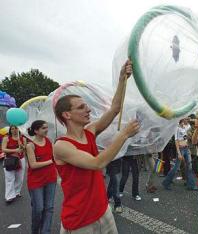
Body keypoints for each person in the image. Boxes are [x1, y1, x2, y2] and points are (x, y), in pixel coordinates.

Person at [53, 60, 140, 233]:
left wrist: (123, 79)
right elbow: (97, 163)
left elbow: (115, 108)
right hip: (80, 220)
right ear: (67, 115)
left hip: (102, 210)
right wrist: (123, 135)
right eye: (81, 107)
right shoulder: (61, 146)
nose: (88, 110)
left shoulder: (90, 131)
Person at [26, 120, 57, 234]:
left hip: (50, 179)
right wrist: (50, 161)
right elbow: (33, 165)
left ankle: (45, 231)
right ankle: (35, 231)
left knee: (49, 208)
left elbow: (55, 157)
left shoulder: (49, 141)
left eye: (47, 127)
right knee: (38, 209)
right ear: (36, 131)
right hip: (35, 182)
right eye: (44, 128)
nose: (46, 130)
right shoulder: (30, 145)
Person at [162, 119, 197, 190]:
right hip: (180, 149)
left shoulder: (187, 127)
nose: (188, 120)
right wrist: (178, 153)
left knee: (189, 166)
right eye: (186, 119)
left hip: (186, 148)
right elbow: (176, 140)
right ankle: (166, 182)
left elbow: (187, 137)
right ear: (183, 120)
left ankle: (191, 185)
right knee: (176, 168)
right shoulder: (177, 128)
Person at [2, 125, 27, 204]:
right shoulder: (6, 138)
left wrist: (22, 145)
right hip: (9, 160)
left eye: (16, 128)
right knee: (10, 178)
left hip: (20, 160)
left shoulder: (23, 138)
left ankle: (16, 192)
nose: (14, 130)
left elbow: (24, 150)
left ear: (19, 129)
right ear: (10, 130)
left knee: (19, 177)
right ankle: (9, 196)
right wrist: (15, 150)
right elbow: (3, 149)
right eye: (12, 129)